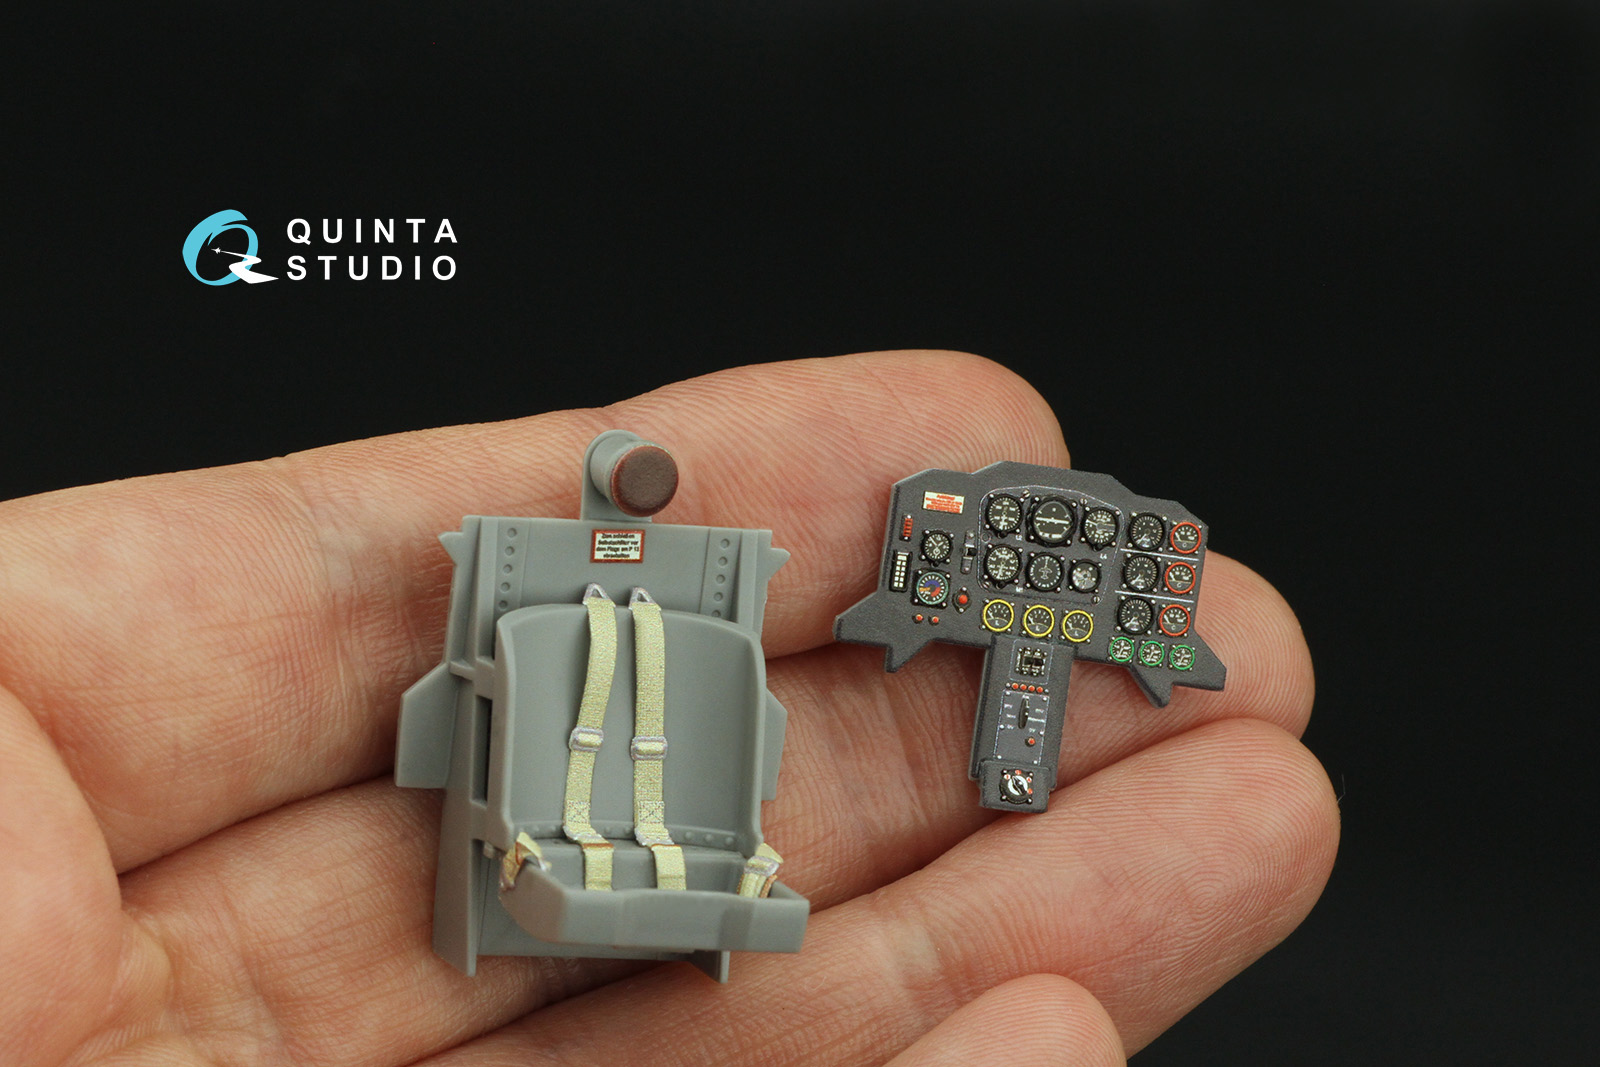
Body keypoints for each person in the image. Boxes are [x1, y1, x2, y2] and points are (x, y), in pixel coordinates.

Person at [0, 351, 1337, 1067]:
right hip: (541, 825)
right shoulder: (526, 630)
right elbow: (451, 718)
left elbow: (733, 725)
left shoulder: (699, 638)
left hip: (659, 819)